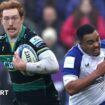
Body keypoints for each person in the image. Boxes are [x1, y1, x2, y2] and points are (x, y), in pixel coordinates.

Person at [0, 0, 60, 105]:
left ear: (22, 19)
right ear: (1, 20)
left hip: (44, 101)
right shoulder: (2, 42)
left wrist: (26, 66)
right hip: (21, 100)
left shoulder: (32, 39)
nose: (10, 23)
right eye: (6, 18)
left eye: (14, 18)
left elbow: (53, 65)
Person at [62, 24, 105, 105]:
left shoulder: (103, 46)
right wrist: (97, 73)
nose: (96, 44)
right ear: (80, 44)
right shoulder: (73, 57)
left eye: (97, 39)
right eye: (90, 42)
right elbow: (70, 88)